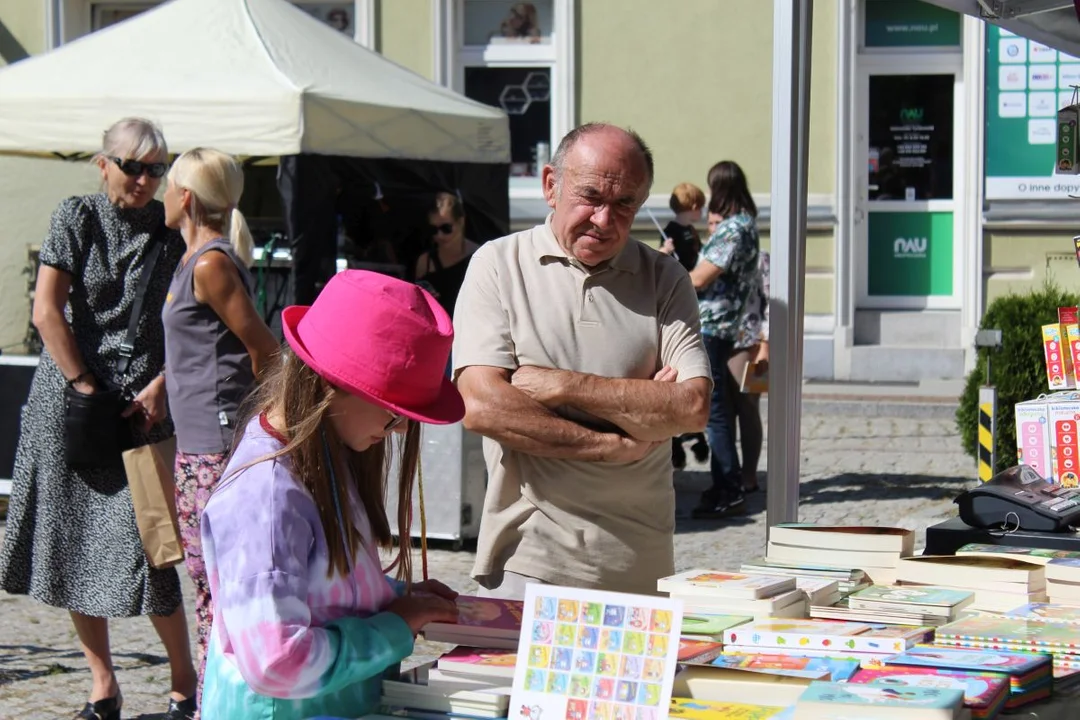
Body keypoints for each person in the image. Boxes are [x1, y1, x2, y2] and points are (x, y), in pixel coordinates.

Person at [453, 123, 712, 599]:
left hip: (642, 562)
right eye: (590, 196)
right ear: (551, 185)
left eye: (624, 204)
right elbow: (483, 406)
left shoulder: (664, 278)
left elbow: (692, 406)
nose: (603, 219)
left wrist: (562, 387)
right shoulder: (498, 264)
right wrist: (614, 440)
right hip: (528, 560)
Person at [0, 117, 197, 720]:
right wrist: (86, 385)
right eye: (132, 165)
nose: (143, 179)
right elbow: (46, 310)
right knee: (68, 545)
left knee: (153, 552)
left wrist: (162, 385)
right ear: (102, 163)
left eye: (155, 169)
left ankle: (186, 685)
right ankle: (102, 685)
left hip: (142, 412)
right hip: (74, 409)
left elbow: (192, 321)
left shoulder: (172, 233)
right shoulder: (76, 216)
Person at [199, 270, 463, 719]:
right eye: (392, 410)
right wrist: (396, 624)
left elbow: (319, 587)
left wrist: (396, 597)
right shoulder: (266, 497)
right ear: (331, 383)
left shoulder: (324, 458)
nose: (398, 428)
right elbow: (276, 661)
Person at [161, 147, 280, 707]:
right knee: (207, 583)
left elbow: (264, 349)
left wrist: (259, 428)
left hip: (215, 446)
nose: (162, 194)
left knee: (215, 587)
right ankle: (218, 702)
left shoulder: (209, 263)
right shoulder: (195, 261)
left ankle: (220, 703)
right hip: (197, 442)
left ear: (184, 197)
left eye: (167, 185)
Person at [686, 160, 761, 519]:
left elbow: (701, 278)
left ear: (720, 188)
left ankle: (728, 490)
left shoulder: (735, 228)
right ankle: (725, 485)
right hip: (725, 326)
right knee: (721, 414)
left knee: (716, 415)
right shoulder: (748, 224)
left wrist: (664, 280)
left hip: (713, 326)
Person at [658, 182, 710, 470]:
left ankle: (694, 436)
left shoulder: (691, 231)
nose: (701, 211)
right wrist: (665, 250)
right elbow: (663, 263)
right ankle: (677, 443)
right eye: (698, 206)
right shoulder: (672, 231)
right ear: (691, 207)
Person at [727, 240, 770, 494]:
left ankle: (749, 474)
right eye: (710, 222)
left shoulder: (760, 258)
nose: (714, 227)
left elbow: (771, 302)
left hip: (752, 344)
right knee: (723, 414)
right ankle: (728, 473)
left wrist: (766, 343)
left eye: (719, 221)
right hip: (721, 344)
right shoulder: (712, 254)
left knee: (749, 408)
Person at [414, 191, 479, 319]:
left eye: (446, 228)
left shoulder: (479, 256)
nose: (439, 235)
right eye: (433, 230)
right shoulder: (425, 262)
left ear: (461, 222)